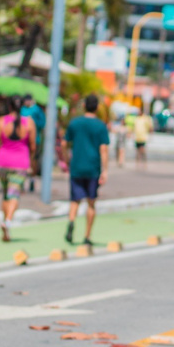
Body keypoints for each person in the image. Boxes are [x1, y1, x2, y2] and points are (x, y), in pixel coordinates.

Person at [0, 96, 36, 242]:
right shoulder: (28, 123)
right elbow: (33, 146)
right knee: (14, 195)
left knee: (6, 195)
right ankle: (8, 221)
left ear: (9, 107)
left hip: (2, 162)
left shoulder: (0, 122)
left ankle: (6, 229)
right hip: (20, 163)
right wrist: (32, 161)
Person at [62, 94, 110, 245]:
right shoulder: (101, 126)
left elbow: (63, 144)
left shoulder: (75, 123)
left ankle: (71, 221)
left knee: (75, 200)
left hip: (76, 166)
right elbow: (104, 149)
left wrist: (67, 160)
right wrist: (105, 170)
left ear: (83, 106)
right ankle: (87, 236)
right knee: (91, 202)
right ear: (97, 107)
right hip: (93, 168)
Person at [20, 94, 45, 192]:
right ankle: (21, 180)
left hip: (35, 139)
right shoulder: (21, 109)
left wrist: (32, 122)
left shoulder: (37, 110)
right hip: (22, 140)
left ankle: (32, 179)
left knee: (33, 160)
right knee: (22, 160)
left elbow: (42, 123)